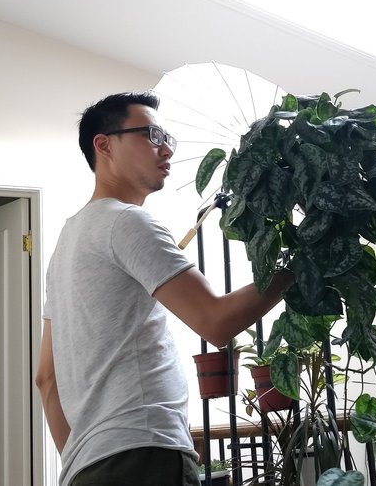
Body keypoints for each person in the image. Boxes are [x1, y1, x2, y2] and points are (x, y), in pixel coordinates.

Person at [35, 91, 292, 486]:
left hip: (88, 467)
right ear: (103, 144)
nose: (165, 150)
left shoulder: (66, 244)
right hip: (142, 457)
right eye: (152, 135)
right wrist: (301, 266)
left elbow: (46, 378)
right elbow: (215, 321)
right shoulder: (126, 222)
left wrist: (83, 459)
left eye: (167, 138)